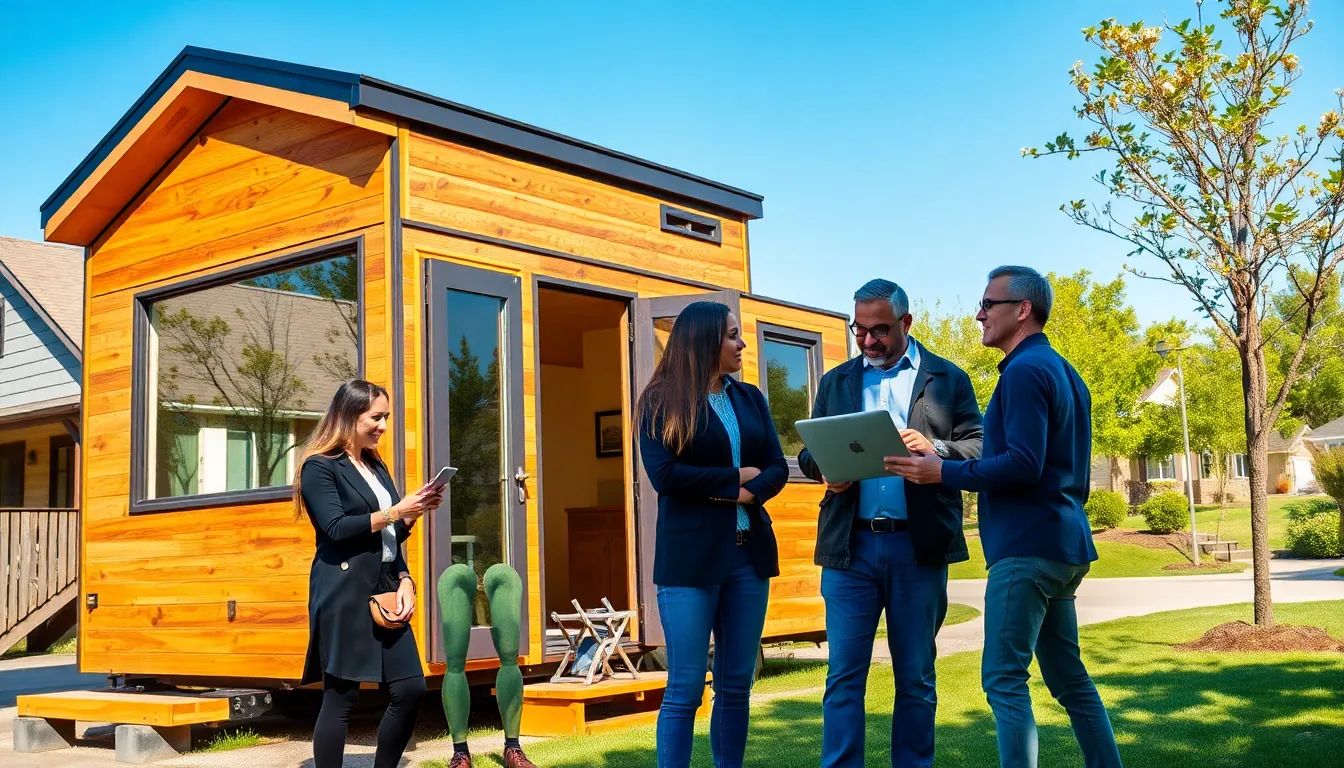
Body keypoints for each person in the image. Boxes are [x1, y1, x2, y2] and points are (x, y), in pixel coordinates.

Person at [888, 266, 1123, 768]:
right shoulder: (1063, 371)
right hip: (1062, 545)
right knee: (1070, 680)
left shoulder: (1024, 372)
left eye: (987, 304)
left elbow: (1022, 463)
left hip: (1027, 549)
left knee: (1002, 679)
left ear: (1022, 310)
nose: (978, 314)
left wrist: (941, 472)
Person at [797, 279, 983, 768]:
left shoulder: (947, 378)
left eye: (879, 330)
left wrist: (936, 448)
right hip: (849, 549)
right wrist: (826, 470)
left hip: (918, 549)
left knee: (916, 677)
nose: (867, 340)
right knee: (843, 678)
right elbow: (810, 452)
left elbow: (981, 445)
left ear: (906, 322)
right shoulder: (836, 382)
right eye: (859, 330)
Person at [637, 300, 789, 768]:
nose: (742, 344)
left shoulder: (750, 398)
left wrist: (748, 493)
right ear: (704, 340)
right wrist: (733, 481)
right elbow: (665, 476)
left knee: (736, 685)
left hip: (748, 557)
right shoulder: (659, 401)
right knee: (685, 687)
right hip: (690, 560)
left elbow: (778, 466)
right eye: (732, 335)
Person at [295, 379, 441, 768]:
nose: (383, 426)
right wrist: (395, 511)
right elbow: (336, 528)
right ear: (349, 415)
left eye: (386, 417)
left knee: (411, 689)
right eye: (376, 417)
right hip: (342, 590)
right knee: (341, 697)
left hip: (384, 587)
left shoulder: (376, 465)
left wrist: (406, 575)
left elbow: (387, 538)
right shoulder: (319, 467)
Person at [437, 562, 537, 768]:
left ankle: (512, 748)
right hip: (457, 578)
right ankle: (460, 753)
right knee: (454, 663)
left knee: (510, 658)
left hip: (500, 576)